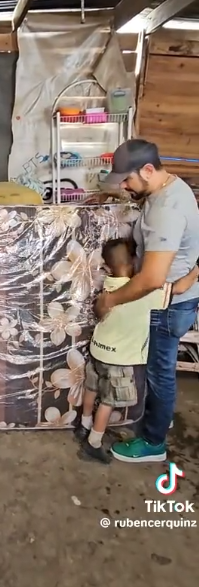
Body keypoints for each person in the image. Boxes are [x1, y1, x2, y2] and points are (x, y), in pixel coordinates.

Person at [95, 139, 199, 463]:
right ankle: (160, 416)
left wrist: (110, 300)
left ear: (149, 170)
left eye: (128, 179)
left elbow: (152, 279)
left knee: (159, 372)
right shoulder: (171, 189)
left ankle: (153, 442)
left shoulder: (166, 209)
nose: (125, 186)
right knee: (161, 369)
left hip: (166, 304)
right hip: (176, 295)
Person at [75, 237, 197, 464]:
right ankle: (93, 442)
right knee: (108, 401)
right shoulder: (143, 293)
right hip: (119, 359)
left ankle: (83, 424)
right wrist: (195, 270)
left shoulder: (108, 286)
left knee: (92, 388)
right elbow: (179, 288)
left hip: (98, 351)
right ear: (133, 262)